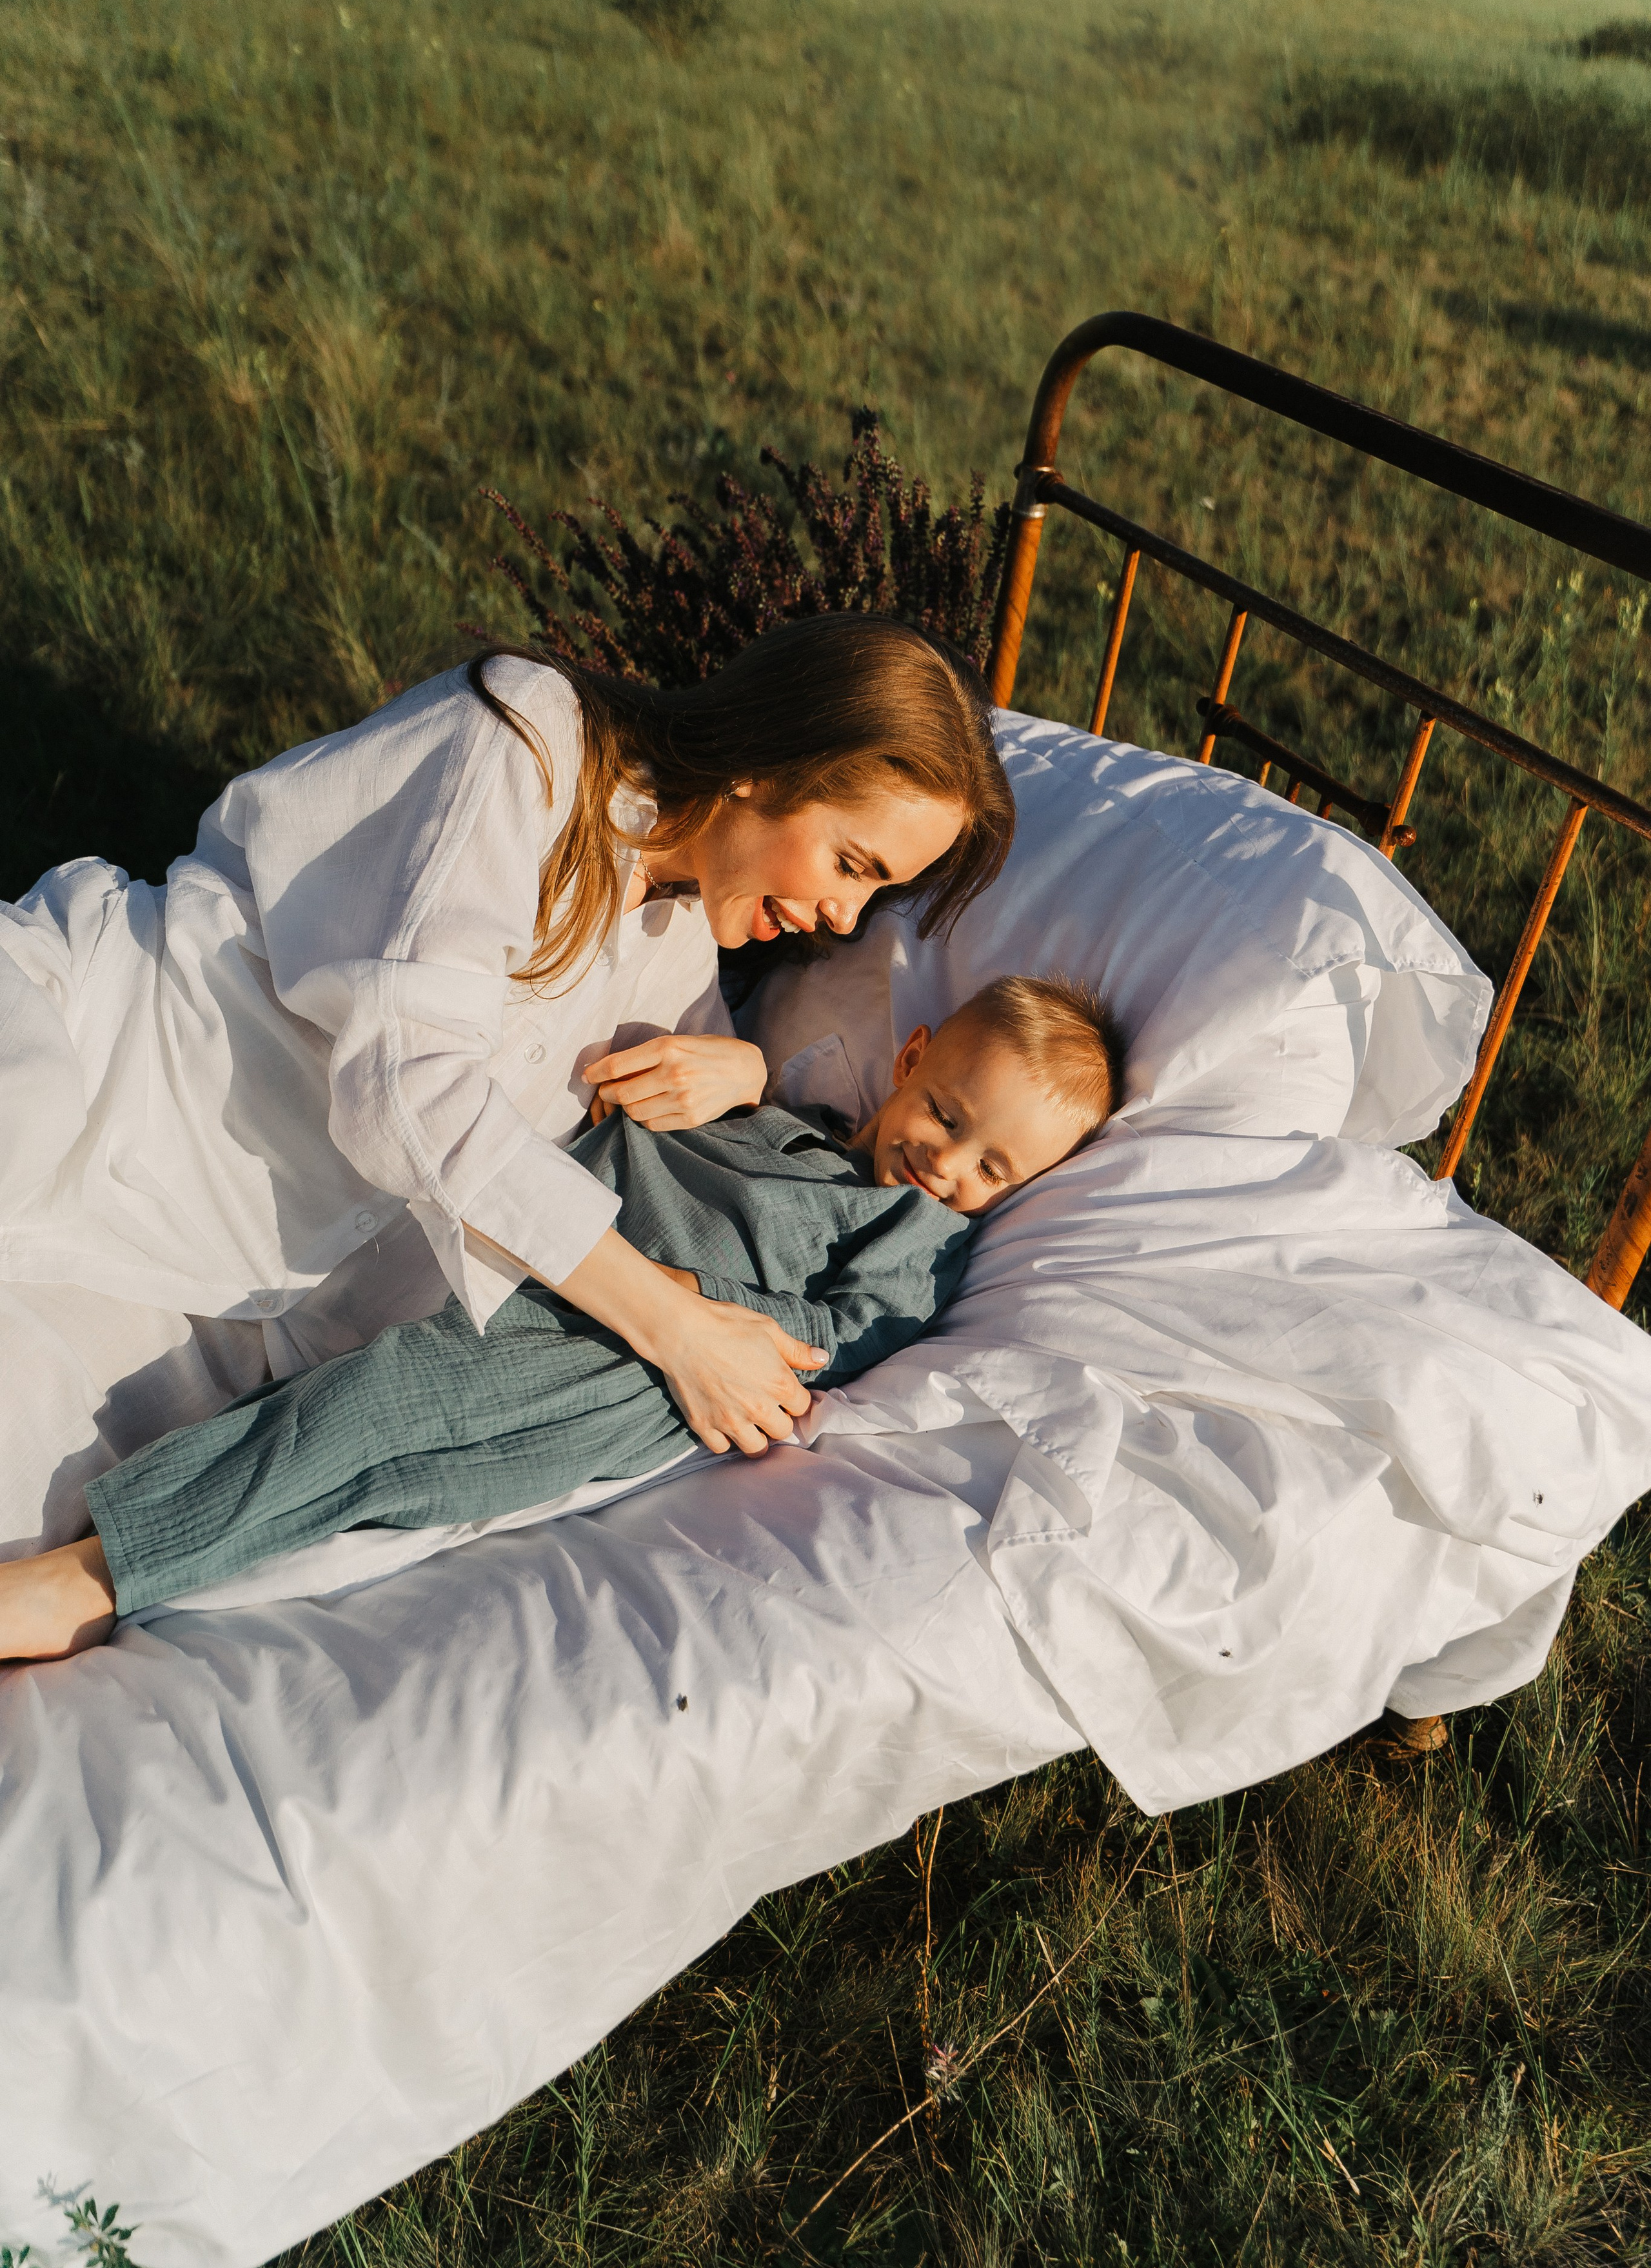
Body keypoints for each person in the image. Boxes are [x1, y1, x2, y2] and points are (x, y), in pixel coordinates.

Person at [0, 617, 1014, 1564]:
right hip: (101, 1061)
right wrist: (673, 1324)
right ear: (768, 766)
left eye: (876, 893)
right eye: (851, 862)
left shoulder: (678, 952)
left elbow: (711, 1157)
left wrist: (749, 1069)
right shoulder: (529, 741)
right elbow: (407, 1089)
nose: (844, 915)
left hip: (218, 1288)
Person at [0, 977, 1127, 1658]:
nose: (946, 1161)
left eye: (993, 1168)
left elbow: (833, 1340)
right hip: (576, 1280)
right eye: (943, 1112)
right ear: (914, 1056)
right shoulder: (800, 1119)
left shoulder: (922, 1244)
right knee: (348, 1394)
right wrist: (751, 1072)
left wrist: (689, 1302)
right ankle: (143, 1540)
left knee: (380, 1418)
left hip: (653, 1368)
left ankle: (96, 1580)